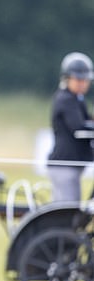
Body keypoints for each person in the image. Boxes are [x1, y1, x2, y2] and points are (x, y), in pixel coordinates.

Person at [47, 52, 94, 202]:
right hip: (64, 165)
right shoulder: (66, 99)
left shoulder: (76, 99)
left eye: (85, 79)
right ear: (67, 78)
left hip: (70, 164)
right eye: (78, 79)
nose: (82, 82)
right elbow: (79, 128)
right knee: (66, 213)